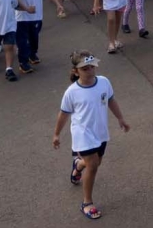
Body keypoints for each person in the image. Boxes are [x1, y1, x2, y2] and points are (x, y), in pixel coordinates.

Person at [53, 51, 131, 220]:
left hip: (100, 132)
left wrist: (121, 119)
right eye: (85, 68)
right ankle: (87, 203)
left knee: (96, 162)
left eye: (92, 67)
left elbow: (111, 100)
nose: (90, 71)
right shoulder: (72, 92)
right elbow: (63, 114)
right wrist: (57, 134)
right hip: (83, 134)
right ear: (76, 71)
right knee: (94, 165)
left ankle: (78, 165)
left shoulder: (103, 82)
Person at [15, 0, 63, 73]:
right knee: (23, 41)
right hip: (23, 18)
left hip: (36, 17)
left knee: (34, 38)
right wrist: (26, 9)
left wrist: (58, 4)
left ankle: (32, 54)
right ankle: (23, 62)